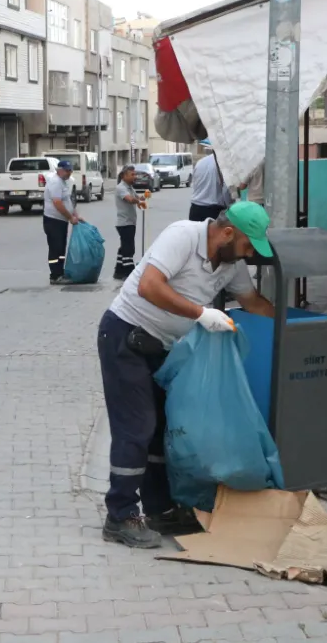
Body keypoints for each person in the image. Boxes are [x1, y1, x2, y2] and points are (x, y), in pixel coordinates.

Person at [97, 201, 276, 549]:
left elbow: (253, 302)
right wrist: (201, 314)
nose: (249, 253)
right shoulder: (182, 236)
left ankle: (158, 509)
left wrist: (291, 326)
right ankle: (119, 515)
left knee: (165, 426)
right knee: (137, 426)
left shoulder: (230, 264)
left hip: (164, 348)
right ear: (227, 233)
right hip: (124, 336)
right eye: (246, 245)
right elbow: (149, 286)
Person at [43, 160, 82, 285]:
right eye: (67, 170)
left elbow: (67, 201)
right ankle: (55, 275)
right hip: (53, 221)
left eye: (70, 170)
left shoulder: (63, 182)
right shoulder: (55, 182)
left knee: (61, 248)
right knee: (55, 248)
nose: (69, 173)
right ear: (59, 170)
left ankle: (60, 272)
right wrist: (70, 217)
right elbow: (57, 203)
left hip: (61, 221)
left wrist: (75, 215)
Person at [113, 165, 145, 281]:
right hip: (125, 223)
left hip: (130, 222)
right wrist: (138, 201)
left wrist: (143, 198)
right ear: (124, 176)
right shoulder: (121, 188)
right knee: (129, 248)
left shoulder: (130, 187)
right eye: (132, 175)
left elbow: (137, 198)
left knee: (124, 247)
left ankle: (119, 271)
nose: (134, 177)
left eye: (135, 174)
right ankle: (129, 272)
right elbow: (130, 199)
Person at [188, 151, 233, 222]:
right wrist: (230, 206)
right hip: (214, 210)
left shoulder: (201, 162)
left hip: (195, 208)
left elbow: (195, 183)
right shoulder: (223, 164)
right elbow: (226, 190)